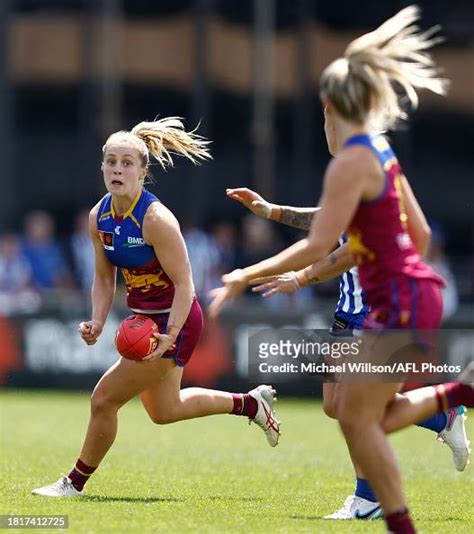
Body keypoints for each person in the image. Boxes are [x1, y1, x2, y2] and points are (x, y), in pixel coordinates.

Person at [208, 7, 474, 533]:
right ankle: (451, 401)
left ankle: (454, 404)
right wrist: (281, 216)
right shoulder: (378, 151)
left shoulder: (350, 160)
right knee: (354, 414)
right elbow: (415, 234)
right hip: (406, 295)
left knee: (357, 416)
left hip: (395, 299)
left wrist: (245, 274)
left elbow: (319, 243)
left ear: (330, 108)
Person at [32, 117, 280, 498]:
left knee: (103, 398)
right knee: (165, 410)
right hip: (145, 319)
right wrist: (97, 320)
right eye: (111, 161)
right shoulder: (98, 217)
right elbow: (103, 278)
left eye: (127, 162)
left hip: (175, 319)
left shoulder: (156, 220)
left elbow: (186, 285)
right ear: (102, 167)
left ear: (143, 172)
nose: (117, 169)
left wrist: (171, 336)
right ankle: (250, 404)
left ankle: (74, 483)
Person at [225, 187, 470, 519]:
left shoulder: (365, 166)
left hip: (373, 309)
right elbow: (330, 219)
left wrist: (300, 278)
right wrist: (273, 211)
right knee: (335, 406)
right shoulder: (354, 167)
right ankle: (443, 415)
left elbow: (350, 251)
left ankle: (368, 500)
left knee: (354, 410)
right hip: (348, 310)